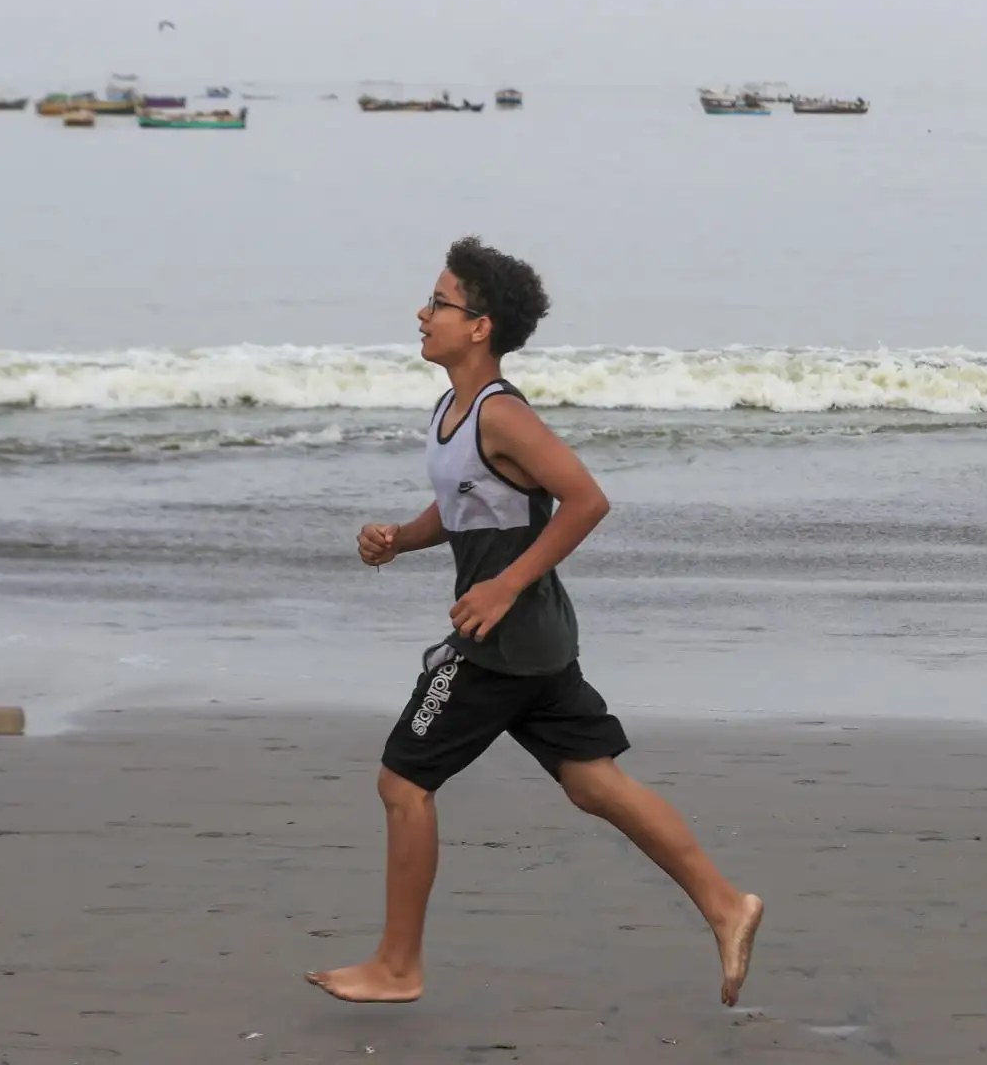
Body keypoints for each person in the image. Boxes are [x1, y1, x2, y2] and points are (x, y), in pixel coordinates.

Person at [307, 237, 763, 1007]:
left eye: (440, 303)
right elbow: (465, 510)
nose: (423, 314)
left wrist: (504, 587)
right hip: (536, 637)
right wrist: (400, 539)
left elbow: (587, 500)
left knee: (404, 780)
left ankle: (397, 967)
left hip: (503, 641)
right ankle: (726, 905)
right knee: (592, 781)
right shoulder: (453, 410)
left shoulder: (503, 415)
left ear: (479, 325)